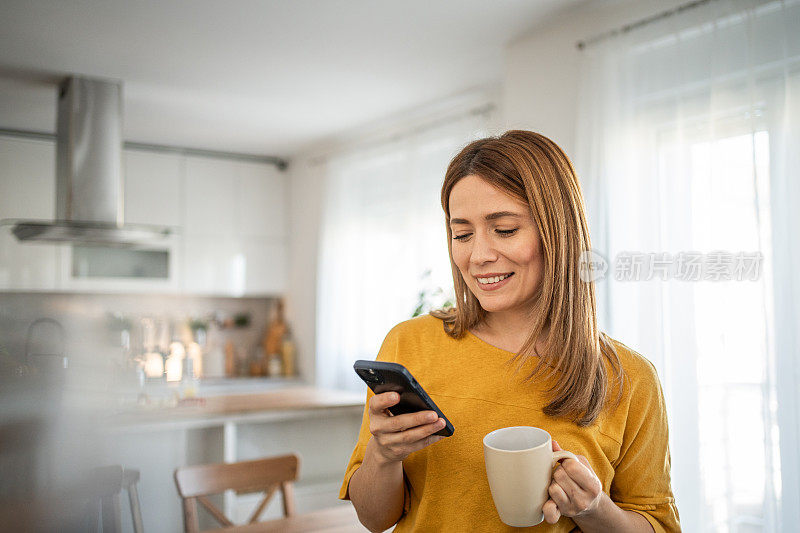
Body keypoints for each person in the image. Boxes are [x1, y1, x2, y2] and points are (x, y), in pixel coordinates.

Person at [339, 130, 680, 532]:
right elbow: (374, 519)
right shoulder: (410, 343)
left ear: (558, 233)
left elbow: (656, 523)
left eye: (504, 229)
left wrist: (592, 508)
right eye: (462, 234)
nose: (479, 256)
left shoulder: (630, 378)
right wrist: (383, 455)